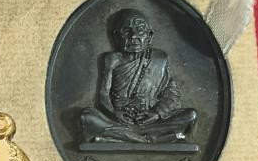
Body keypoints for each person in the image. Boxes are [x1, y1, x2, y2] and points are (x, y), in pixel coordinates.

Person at [80, 9, 197, 144]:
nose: (134, 36)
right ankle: (149, 139)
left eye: (140, 30)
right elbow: (104, 94)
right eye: (126, 31)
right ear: (116, 36)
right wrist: (114, 113)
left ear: (149, 36)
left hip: (149, 120)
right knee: (86, 117)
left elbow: (172, 95)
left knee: (190, 115)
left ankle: (119, 138)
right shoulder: (112, 59)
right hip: (119, 119)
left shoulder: (159, 59)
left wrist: (156, 113)